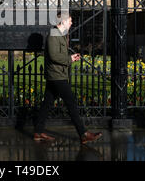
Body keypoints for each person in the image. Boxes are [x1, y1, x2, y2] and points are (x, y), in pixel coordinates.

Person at [34, 11, 102, 145]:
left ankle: (38, 132)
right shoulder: (54, 34)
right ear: (63, 21)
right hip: (57, 75)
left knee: (47, 104)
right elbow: (54, 56)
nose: (71, 23)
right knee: (71, 103)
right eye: (70, 20)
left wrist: (70, 59)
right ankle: (83, 134)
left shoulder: (60, 34)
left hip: (56, 75)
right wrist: (69, 58)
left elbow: (59, 55)